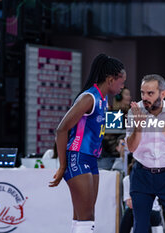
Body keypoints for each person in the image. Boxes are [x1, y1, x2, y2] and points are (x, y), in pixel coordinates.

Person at [48, 54, 126, 233]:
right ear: (110, 79)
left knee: (85, 216)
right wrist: (62, 166)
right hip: (77, 157)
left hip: (91, 159)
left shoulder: (105, 99)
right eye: (121, 81)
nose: (122, 86)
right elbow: (61, 129)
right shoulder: (89, 98)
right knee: (86, 217)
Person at [126, 74, 165, 233]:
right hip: (141, 174)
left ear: (162, 94)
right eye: (143, 93)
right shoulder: (134, 112)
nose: (145, 97)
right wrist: (138, 127)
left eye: (150, 93)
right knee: (140, 227)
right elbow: (131, 148)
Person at [120, 160, 162, 233]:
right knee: (131, 213)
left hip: (153, 212)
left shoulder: (152, 179)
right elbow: (129, 204)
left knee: (142, 213)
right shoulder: (127, 180)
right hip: (134, 210)